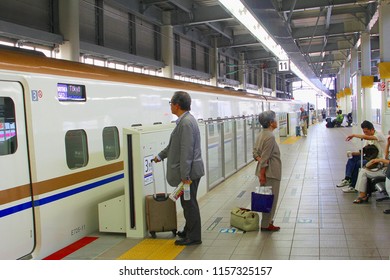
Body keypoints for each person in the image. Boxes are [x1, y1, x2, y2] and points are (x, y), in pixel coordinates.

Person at [153, 91, 205, 246]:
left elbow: (186, 151)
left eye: (171, 103)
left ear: (177, 105)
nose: (170, 106)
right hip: (188, 172)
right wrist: (161, 156)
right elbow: (174, 146)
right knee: (186, 202)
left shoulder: (186, 123)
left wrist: (185, 175)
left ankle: (194, 236)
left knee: (189, 204)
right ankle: (188, 230)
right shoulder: (184, 121)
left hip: (189, 173)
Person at [337, 120, 386, 193]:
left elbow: (366, 137)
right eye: (364, 132)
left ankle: (353, 186)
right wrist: (352, 153)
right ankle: (347, 179)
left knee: (358, 163)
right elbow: (363, 152)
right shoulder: (368, 138)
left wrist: (354, 135)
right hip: (369, 158)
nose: (365, 134)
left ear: (372, 129)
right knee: (352, 159)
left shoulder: (379, 135)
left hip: (378, 160)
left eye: (366, 132)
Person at [253, 110, 281, 231]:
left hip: (265, 172)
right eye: (275, 119)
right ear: (271, 123)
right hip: (271, 173)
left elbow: (255, 153)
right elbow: (265, 158)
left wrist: (260, 161)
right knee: (271, 199)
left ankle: (265, 223)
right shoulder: (270, 136)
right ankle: (267, 224)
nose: (276, 121)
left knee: (266, 198)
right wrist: (262, 174)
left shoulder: (261, 134)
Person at [353, 135, 390, 203]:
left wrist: (379, 160)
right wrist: (388, 144)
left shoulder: (379, 135)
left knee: (363, 172)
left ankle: (362, 195)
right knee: (363, 170)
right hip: (385, 170)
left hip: (387, 172)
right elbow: (387, 157)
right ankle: (362, 194)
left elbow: (387, 161)